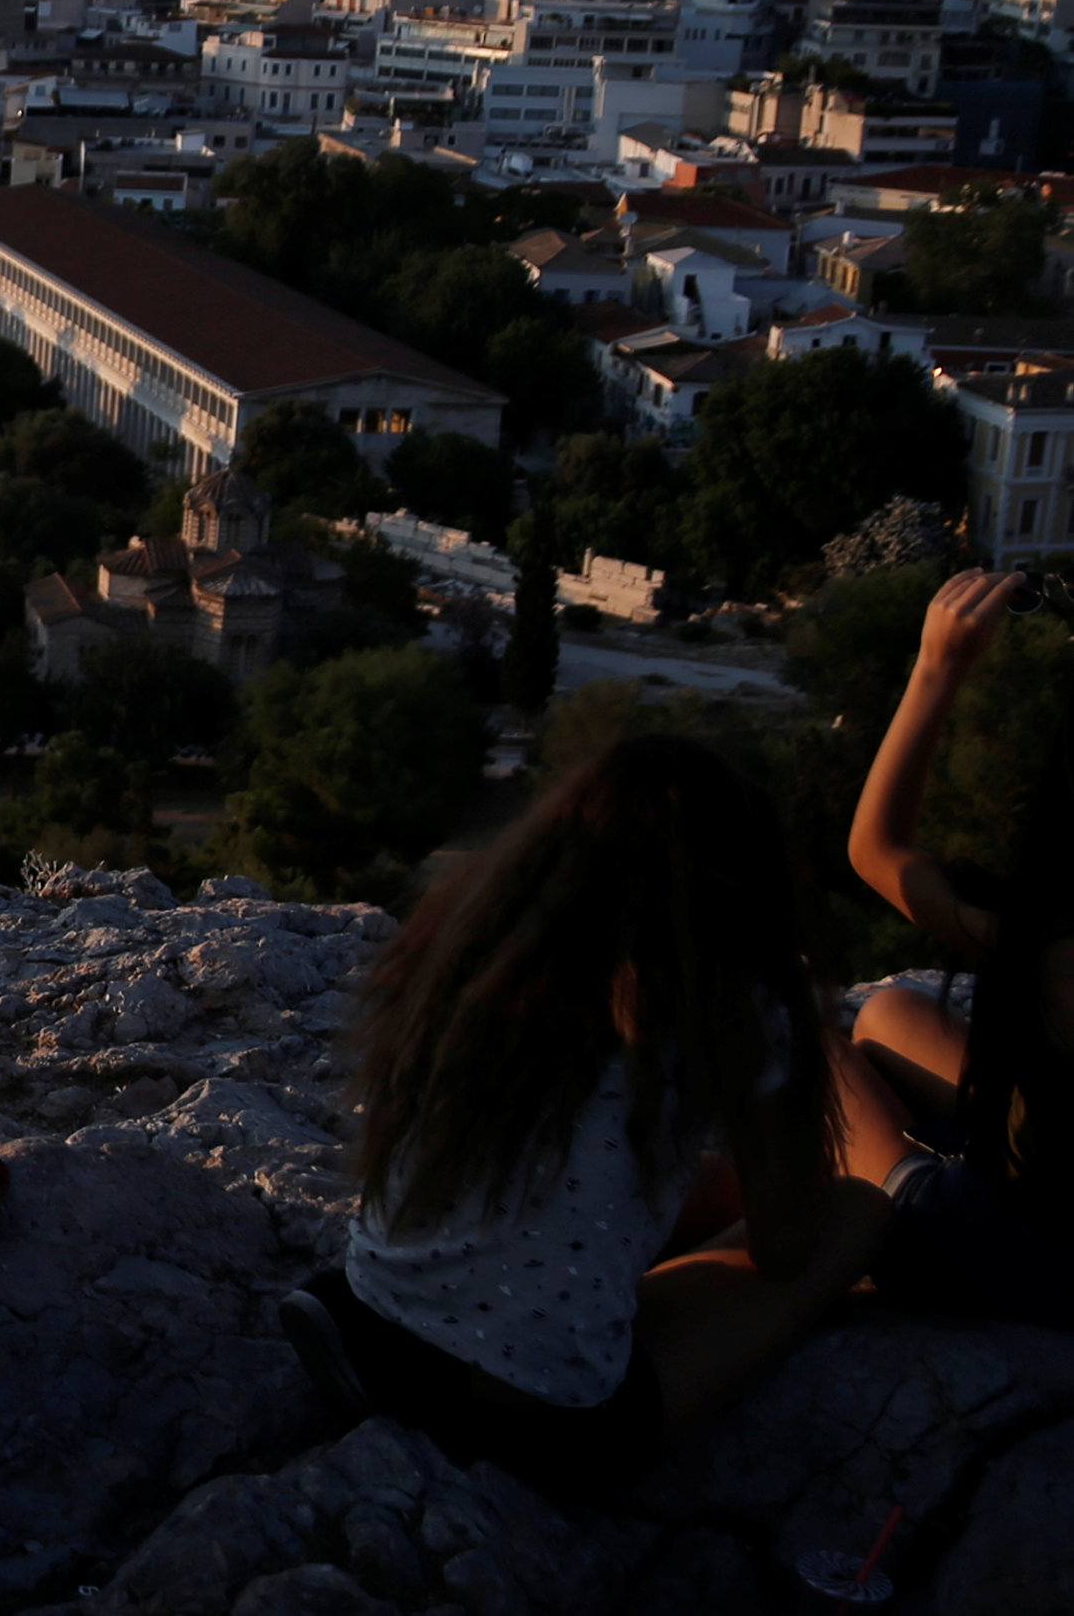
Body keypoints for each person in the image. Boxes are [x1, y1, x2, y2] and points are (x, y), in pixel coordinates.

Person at [276, 734, 893, 1494]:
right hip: (542, 1420)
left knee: (690, 1185)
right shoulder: (740, 1006)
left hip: (371, 1327)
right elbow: (788, 1246)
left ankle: (509, 1305)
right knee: (856, 1211)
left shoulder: (472, 947)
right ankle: (547, 1330)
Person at [832, 568, 1074, 1326]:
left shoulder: (1053, 947)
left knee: (787, 1030)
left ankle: (880, 1207)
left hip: (1018, 1256)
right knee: (892, 1014)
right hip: (1045, 1168)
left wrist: (938, 667)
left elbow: (878, 852)